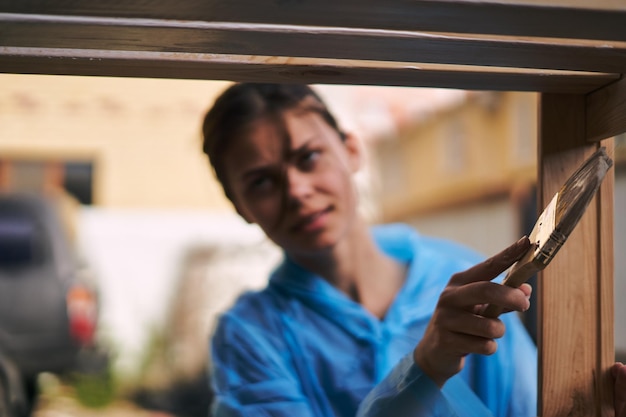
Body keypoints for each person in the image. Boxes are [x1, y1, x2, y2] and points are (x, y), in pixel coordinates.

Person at [201, 83, 617, 417]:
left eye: (309, 157)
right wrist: (424, 369)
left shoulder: (462, 278)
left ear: (351, 150)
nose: (297, 190)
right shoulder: (249, 337)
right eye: (260, 182)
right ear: (241, 207)